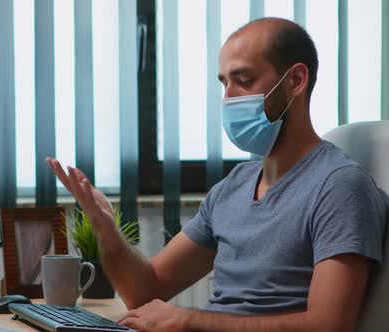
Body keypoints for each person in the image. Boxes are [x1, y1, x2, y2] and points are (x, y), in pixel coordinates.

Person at [46, 17, 386, 332]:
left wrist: (189, 321)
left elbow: (329, 324)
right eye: (224, 83)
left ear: (295, 80)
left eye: (244, 81)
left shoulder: (340, 186)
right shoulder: (234, 186)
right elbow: (147, 289)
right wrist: (107, 230)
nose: (228, 99)